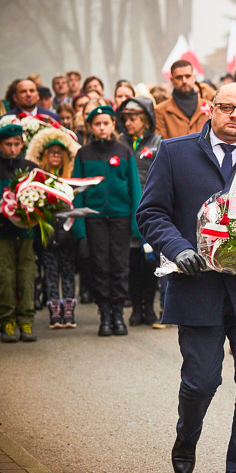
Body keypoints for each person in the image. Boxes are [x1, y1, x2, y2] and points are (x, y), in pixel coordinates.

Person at [137, 82, 236, 473]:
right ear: (212, 109)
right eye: (226, 107)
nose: (235, 115)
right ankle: (187, 434)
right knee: (202, 381)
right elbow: (150, 213)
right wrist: (179, 248)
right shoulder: (176, 152)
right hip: (196, 288)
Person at [71, 105, 141, 337]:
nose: (102, 127)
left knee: (120, 265)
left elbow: (134, 188)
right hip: (95, 218)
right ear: (91, 127)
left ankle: (118, 313)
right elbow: (77, 193)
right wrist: (80, 227)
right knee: (99, 265)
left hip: (120, 217)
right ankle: (105, 314)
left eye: (106, 123)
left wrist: (136, 222)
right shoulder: (84, 153)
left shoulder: (124, 151)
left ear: (113, 125)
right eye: (97, 124)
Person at [26, 128, 80, 329]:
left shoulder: (71, 178)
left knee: (67, 273)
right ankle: (54, 313)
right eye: (51, 152)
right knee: (50, 272)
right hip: (47, 234)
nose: (55, 156)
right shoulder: (38, 179)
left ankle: (68, 312)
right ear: (45, 156)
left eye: (59, 153)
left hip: (67, 234)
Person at [118, 97, 163, 327]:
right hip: (127, 209)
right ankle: (136, 307)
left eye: (133, 119)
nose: (128, 123)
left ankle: (149, 306)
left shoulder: (157, 142)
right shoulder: (120, 142)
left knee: (151, 261)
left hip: (150, 208)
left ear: (145, 120)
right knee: (133, 261)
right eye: (125, 119)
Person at [0, 124, 38, 343]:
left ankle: (26, 320)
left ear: (22, 144)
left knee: (26, 275)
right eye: (8, 145)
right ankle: (7, 321)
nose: (12, 149)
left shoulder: (31, 168)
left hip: (26, 232)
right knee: (5, 277)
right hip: (3, 232)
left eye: (16, 144)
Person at [155, 60, 209, 140]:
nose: (184, 81)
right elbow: (162, 145)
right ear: (172, 80)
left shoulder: (210, 107)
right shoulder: (161, 111)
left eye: (187, 76)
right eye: (179, 77)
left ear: (193, 78)